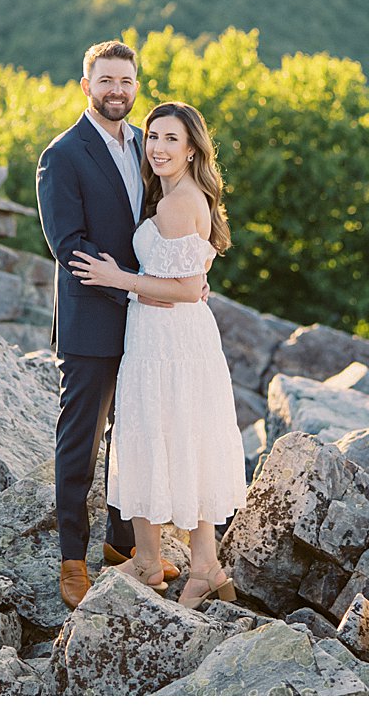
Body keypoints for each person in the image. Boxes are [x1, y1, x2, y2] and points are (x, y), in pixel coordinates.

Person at [69, 100, 247, 608]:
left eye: (172, 139)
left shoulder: (176, 202)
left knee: (170, 436)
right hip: (157, 336)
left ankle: (186, 566)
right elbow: (179, 281)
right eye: (152, 137)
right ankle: (176, 563)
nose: (159, 148)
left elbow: (190, 287)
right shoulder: (168, 197)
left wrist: (119, 279)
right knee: (162, 435)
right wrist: (144, 289)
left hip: (172, 342)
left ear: (192, 148)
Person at [35, 40, 182, 610]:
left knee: (136, 434)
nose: (117, 90)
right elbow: (66, 245)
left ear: (136, 86)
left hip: (146, 318)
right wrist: (128, 285)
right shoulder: (63, 154)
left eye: (126, 80)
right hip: (93, 321)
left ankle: (124, 547)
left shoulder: (147, 144)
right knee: (81, 442)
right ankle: (74, 561)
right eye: (106, 81)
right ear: (86, 85)